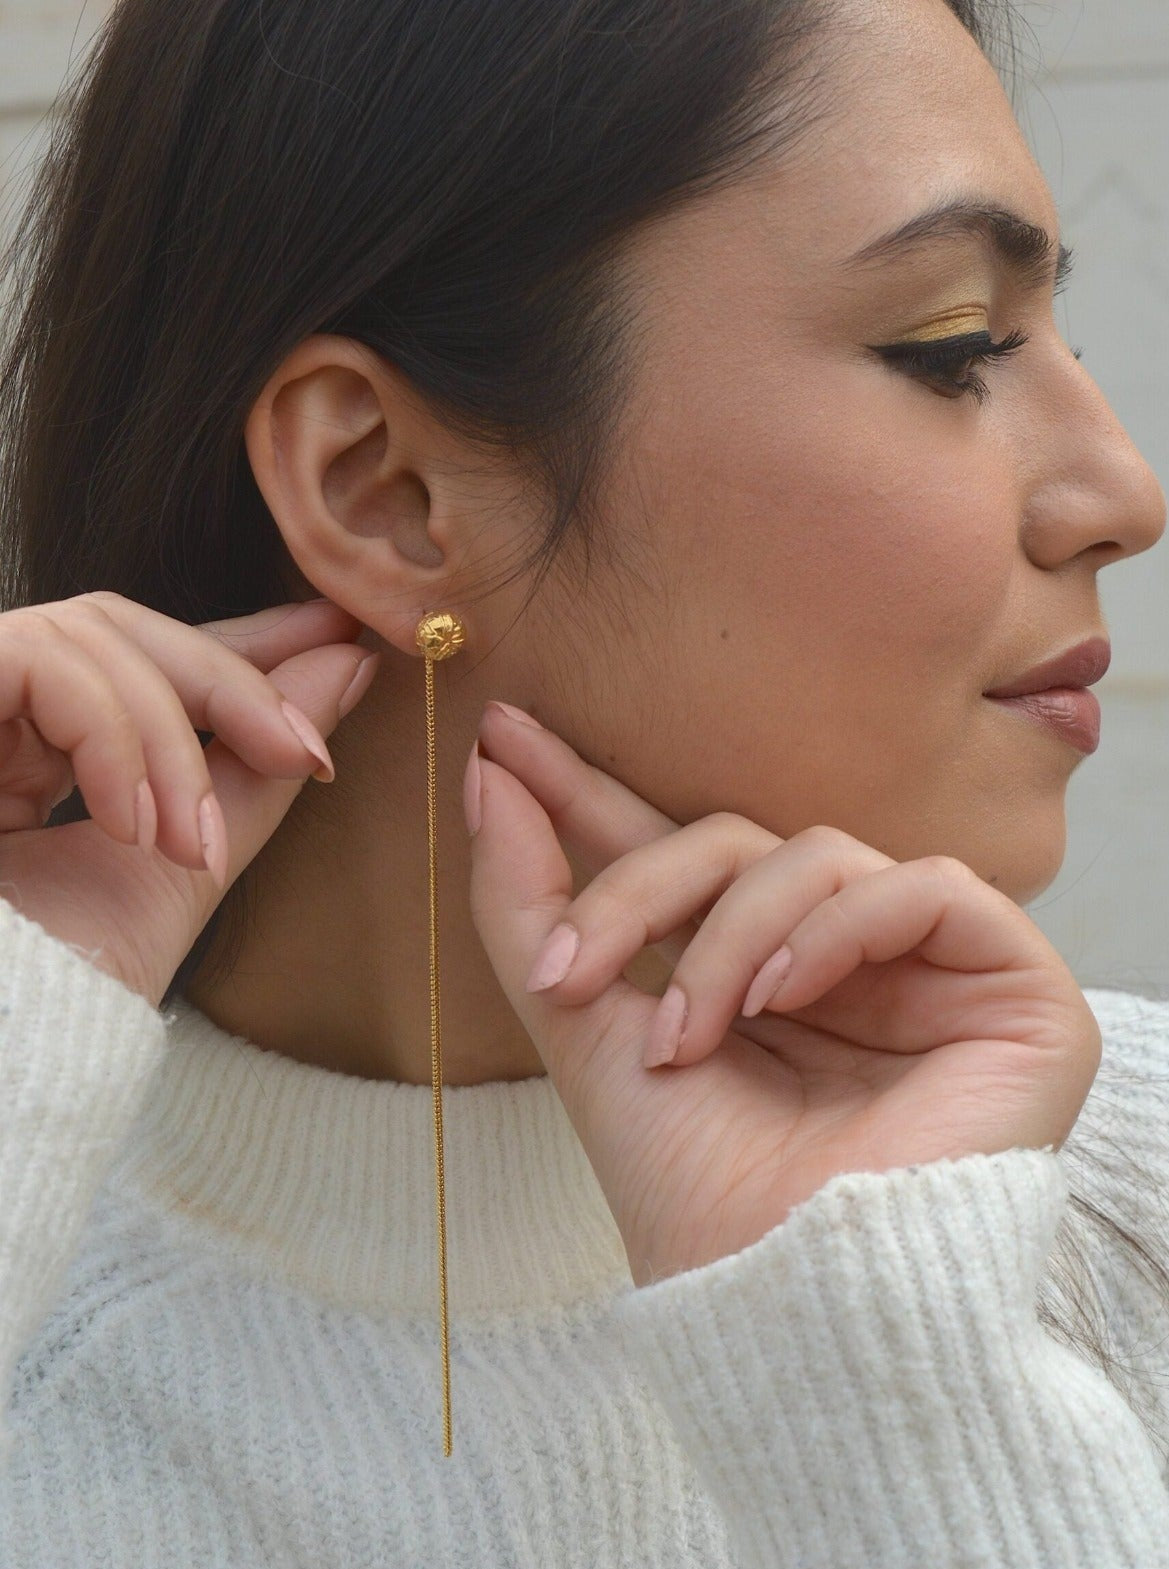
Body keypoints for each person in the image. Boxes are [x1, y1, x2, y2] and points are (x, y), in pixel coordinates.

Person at [1, 0, 1167, 1562]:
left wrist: (898, 1360)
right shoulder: (43, 1354)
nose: (1121, 493)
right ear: (384, 487)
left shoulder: (1125, 1203)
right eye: (949, 349)